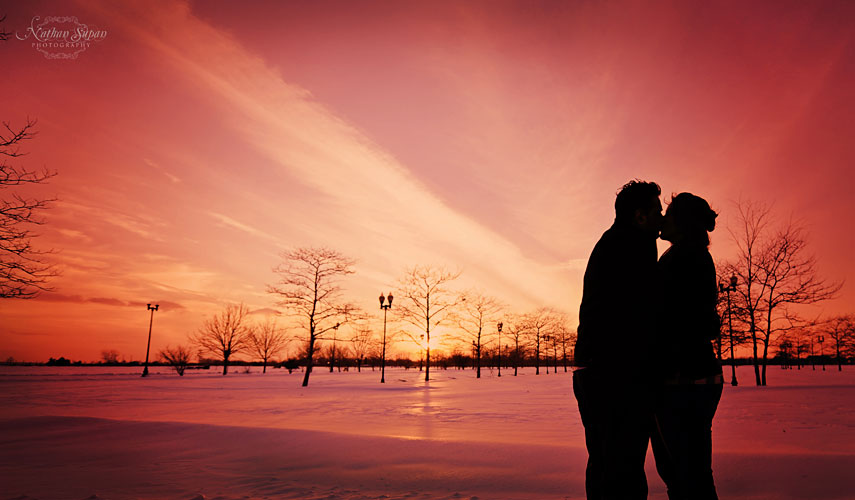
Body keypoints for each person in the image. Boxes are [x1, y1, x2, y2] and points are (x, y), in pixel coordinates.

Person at [573, 179, 663, 500]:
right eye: (657, 212)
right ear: (640, 216)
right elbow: (644, 314)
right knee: (622, 470)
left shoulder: (615, 242)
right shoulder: (632, 245)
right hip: (615, 375)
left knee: (606, 465)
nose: (661, 219)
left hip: (600, 371)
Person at [650, 192, 723, 500]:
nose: (663, 220)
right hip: (697, 375)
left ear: (682, 222)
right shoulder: (694, 256)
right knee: (692, 472)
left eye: (668, 214)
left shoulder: (680, 258)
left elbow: (663, 317)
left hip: (681, 380)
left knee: (684, 474)